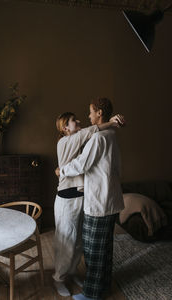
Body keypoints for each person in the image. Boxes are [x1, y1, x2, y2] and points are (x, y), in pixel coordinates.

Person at [59, 98, 125, 300]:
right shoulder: (111, 134)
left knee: (93, 250)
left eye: (90, 112)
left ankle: (91, 294)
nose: (88, 116)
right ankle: (103, 285)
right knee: (105, 248)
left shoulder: (99, 138)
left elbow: (81, 164)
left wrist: (61, 170)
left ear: (99, 113)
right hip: (112, 199)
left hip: (99, 202)